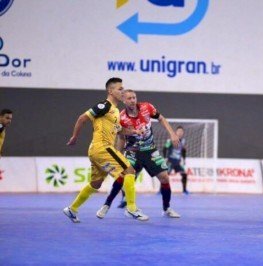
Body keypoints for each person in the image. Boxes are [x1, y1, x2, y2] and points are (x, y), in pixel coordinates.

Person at [63, 78, 148, 223]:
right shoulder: (104, 106)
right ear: (110, 91)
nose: (122, 92)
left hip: (95, 150)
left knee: (96, 183)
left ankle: (72, 209)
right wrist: (74, 137)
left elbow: (119, 130)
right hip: (102, 147)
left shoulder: (114, 111)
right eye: (120, 89)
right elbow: (82, 118)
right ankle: (132, 208)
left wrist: (135, 132)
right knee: (129, 170)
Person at [96, 89, 181, 219]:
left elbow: (161, 118)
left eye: (134, 97)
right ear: (123, 100)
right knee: (123, 176)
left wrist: (172, 134)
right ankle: (107, 204)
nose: (132, 100)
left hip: (150, 150)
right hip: (133, 152)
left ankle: (167, 208)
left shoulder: (147, 107)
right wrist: (118, 155)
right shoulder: (121, 118)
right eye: (129, 98)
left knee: (164, 177)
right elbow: (121, 138)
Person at [163, 126, 189, 194]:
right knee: (165, 176)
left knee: (184, 175)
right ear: (176, 132)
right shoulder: (171, 140)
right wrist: (165, 158)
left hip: (178, 162)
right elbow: (165, 148)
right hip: (170, 161)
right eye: (179, 131)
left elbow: (183, 151)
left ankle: (184, 190)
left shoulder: (183, 141)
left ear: (183, 133)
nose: (180, 133)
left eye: (181, 132)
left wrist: (184, 159)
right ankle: (161, 190)